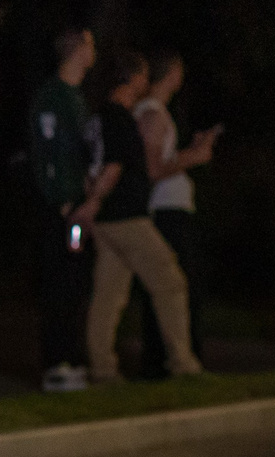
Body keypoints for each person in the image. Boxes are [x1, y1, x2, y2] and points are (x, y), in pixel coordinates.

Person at [78, 48, 203, 383]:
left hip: (107, 221)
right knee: (171, 283)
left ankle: (103, 369)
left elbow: (89, 166)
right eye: (143, 76)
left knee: (108, 297)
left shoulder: (97, 117)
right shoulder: (119, 118)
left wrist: (91, 201)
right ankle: (183, 364)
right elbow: (113, 166)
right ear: (132, 78)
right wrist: (96, 200)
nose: (146, 82)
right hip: (126, 217)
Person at [132, 49, 220, 379]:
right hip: (166, 212)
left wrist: (189, 151)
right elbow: (153, 168)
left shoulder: (157, 113)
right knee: (177, 287)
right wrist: (195, 157)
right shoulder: (153, 114)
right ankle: (173, 360)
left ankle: (172, 359)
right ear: (171, 73)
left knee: (176, 288)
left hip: (172, 209)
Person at [26, 27, 98, 391]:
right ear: (78, 49)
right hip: (61, 209)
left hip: (77, 209)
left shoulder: (77, 97)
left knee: (76, 282)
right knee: (59, 282)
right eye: (90, 44)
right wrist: (64, 197)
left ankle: (73, 357)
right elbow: (48, 154)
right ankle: (57, 364)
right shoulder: (53, 96)